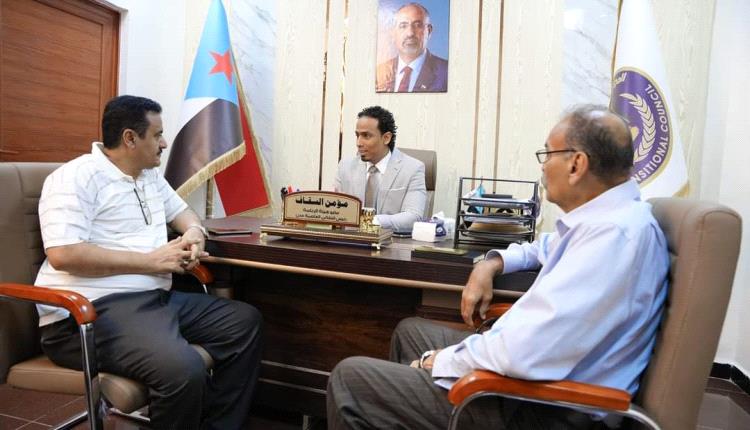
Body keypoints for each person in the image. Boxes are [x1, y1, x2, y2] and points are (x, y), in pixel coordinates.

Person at [327, 105, 670, 429]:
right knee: (410, 332)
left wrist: (439, 361)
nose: (542, 166)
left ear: (576, 164)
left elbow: (522, 352)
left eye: (548, 154)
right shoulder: (606, 221)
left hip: (543, 408)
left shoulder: (612, 239)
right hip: (536, 377)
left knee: (350, 379)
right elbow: (542, 248)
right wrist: (491, 263)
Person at [35, 95, 262, 430]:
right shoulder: (74, 178)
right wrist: (150, 262)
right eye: (157, 135)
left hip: (153, 301)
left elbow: (183, 213)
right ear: (130, 138)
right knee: (182, 369)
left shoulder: (148, 176)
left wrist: (194, 233)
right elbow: (64, 254)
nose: (164, 143)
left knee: (243, 322)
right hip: (89, 312)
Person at [334, 106, 427, 232]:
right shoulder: (345, 166)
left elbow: (413, 217)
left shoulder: (412, 169)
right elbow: (334, 209)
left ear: (386, 138)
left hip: (391, 242)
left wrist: (370, 221)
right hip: (350, 240)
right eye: (357, 135)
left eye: (366, 136)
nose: (358, 143)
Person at [376, 2, 448, 92]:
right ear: (393, 33)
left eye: (418, 25)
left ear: (428, 31)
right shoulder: (379, 72)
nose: (410, 33)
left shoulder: (447, 72)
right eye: (403, 26)